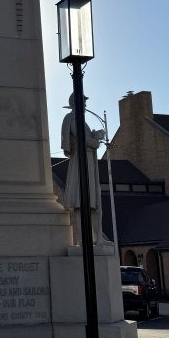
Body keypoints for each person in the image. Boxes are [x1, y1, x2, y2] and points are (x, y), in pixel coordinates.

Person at [61, 92, 106, 246]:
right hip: (81, 161)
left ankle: (96, 238)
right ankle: (83, 239)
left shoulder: (81, 120)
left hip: (88, 161)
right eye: (83, 103)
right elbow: (83, 139)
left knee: (93, 202)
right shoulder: (72, 119)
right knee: (81, 201)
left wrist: (94, 136)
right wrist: (97, 139)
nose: (85, 106)